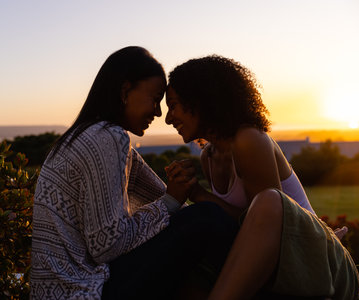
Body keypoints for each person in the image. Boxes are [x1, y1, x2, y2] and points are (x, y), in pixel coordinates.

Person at [30, 47, 239, 300]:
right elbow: (106, 245)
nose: (159, 113)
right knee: (208, 218)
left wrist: (178, 193)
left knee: (201, 221)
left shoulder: (85, 136)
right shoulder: (106, 137)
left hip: (69, 289)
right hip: (84, 291)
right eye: (156, 99)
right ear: (125, 91)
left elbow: (166, 204)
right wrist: (173, 200)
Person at [165, 55, 359, 299]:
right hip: (277, 273)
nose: (168, 118)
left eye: (173, 105)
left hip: (316, 263)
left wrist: (200, 195)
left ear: (201, 100)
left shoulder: (249, 140)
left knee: (268, 200)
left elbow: (269, 225)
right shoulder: (209, 157)